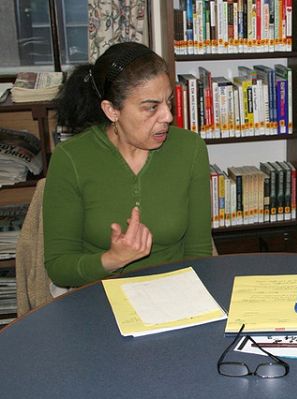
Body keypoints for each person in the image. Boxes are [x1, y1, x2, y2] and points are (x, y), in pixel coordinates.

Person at [44, 42, 213, 288]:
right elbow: (59, 268)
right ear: (112, 111)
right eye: (151, 107)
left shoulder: (190, 149)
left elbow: (199, 252)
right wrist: (112, 260)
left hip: (175, 296)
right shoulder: (71, 158)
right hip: (98, 298)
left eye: (168, 102)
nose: (168, 116)